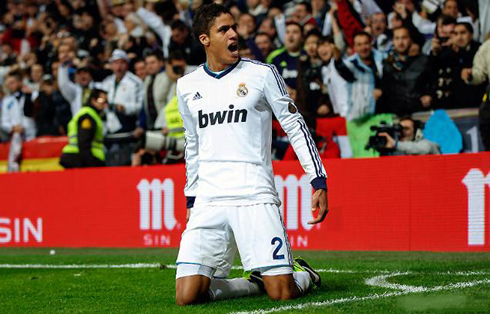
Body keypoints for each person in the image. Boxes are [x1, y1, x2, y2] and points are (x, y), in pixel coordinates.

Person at [175, 4, 328, 306]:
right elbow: (192, 145)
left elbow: (294, 126)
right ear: (205, 39)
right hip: (209, 198)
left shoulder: (262, 73)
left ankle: (306, 275)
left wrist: (317, 178)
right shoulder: (187, 86)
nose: (235, 34)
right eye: (224, 29)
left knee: (282, 292)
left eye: (234, 27)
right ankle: (252, 283)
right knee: (187, 296)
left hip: (254, 194)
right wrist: (192, 198)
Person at [378, 27, 433, 116]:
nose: (400, 42)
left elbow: (433, 82)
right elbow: (385, 88)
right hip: (393, 113)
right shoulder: (387, 63)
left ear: (410, 39)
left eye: (404, 38)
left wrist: (429, 95)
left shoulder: (424, 61)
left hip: (418, 111)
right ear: (393, 41)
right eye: (397, 38)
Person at [59, 89, 107, 168]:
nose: (105, 105)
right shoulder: (88, 116)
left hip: (78, 159)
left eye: (106, 102)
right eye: (101, 101)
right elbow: (83, 142)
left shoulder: (93, 115)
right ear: (93, 100)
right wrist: (92, 165)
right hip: (80, 160)